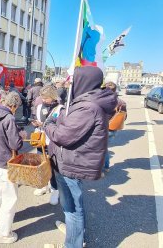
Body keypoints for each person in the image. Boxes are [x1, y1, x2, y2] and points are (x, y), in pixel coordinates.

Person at [44, 66, 117, 248]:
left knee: (72, 209)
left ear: (83, 82)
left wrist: (49, 123)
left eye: (74, 81)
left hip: (70, 163)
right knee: (71, 206)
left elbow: (63, 136)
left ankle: (73, 242)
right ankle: (74, 232)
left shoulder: (88, 107)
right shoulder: (85, 102)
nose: (70, 85)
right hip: (68, 160)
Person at [0, 92, 27, 244]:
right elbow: (15, 144)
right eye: (16, 107)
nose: (15, 110)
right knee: (10, 198)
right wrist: (21, 134)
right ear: (13, 106)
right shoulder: (9, 118)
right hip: (5, 162)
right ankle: (2, 234)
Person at [31, 85, 62, 205]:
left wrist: (43, 124)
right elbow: (36, 119)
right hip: (41, 140)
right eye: (42, 97)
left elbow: (60, 127)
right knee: (41, 164)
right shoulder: (39, 106)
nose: (43, 100)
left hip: (52, 142)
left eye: (46, 98)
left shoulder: (60, 109)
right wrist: (35, 123)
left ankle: (55, 189)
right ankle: (42, 185)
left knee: (53, 167)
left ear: (53, 96)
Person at [104, 81, 127, 173]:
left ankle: (104, 167)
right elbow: (124, 117)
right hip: (113, 129)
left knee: (101, 149)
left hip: (103, 128)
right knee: (104, 149)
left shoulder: (104, 101)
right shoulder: (122, 102)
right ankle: (106, 167)